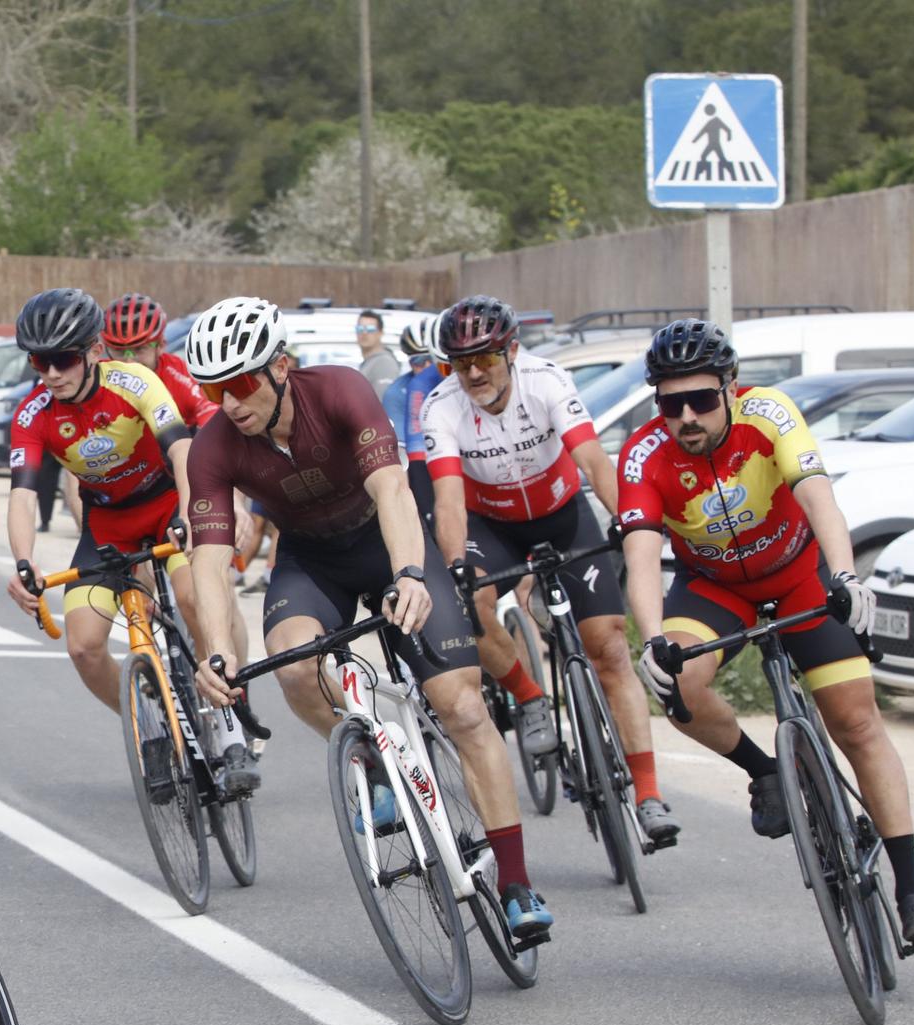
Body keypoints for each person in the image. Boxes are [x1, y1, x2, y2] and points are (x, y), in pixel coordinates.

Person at [185, 296, 554, 944]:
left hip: (386, 541)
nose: (231, 401)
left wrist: (411, 573)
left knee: (461, 706)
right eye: (214, 388)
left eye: (241, 382)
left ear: (280, 367)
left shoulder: (341, 391)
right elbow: (210, 561)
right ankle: (379, 764)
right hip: (310, 559)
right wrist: (215, 650)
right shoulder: (215, 446)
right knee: (297, 667)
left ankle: (518, 883)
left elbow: (392, 491)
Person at [621, 319, 914, 948]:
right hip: (716, 588)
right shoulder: (643, 454)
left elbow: (817, 493)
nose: (686, 416)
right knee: (676, 685)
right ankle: (766, 770)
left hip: (798, 574)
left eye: (701, 400)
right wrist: (653, 635)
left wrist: (847, 576)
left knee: (855, 722)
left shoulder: (769, 414)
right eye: (670, 403)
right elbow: (638, 553)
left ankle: (910, 888)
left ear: (731, 388)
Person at [422, 295, 679, 845]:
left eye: (486, 359)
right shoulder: (441, 406)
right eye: (459, 362)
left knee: (608, 647)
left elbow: (592, 460)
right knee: (474, 610)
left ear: (511, 351)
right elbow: (447, 499)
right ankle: (530, 697)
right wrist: (457, 563)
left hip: (563, 513)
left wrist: (629, 520)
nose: (472, 373)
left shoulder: (547, 381)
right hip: (492, 523)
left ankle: (648, 793)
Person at [3, 289, 257, 792]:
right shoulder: (33, 415)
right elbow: (23, 497)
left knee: (191, 596)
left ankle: (229, 725)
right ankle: (150, 721)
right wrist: (23, 562)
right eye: (39, 361)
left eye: (63, 359)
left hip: (166, 504)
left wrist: (190, 513)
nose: (51, 373)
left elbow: (182, 450)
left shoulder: (134, 381)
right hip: (109, 525)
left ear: (94, 351)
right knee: (83, 646)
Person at [102, 292, 216, 430]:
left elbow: (210, 410)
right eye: (119, 351)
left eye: (139, 350)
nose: (129, 362)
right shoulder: (99, 378)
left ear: (161, 345)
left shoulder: (176, 373)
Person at [380, 315, 442, 522]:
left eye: (430, 361)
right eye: (417, 361)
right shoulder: (397, 393)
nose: (425, 368)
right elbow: (402, 458)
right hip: (423, 466)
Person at [354, 309, 401, 398]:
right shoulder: (370, 362)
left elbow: (382, 403)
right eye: (360, 329)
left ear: (380, 333)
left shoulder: (384, 363)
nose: (364, 333)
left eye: (370, 329)